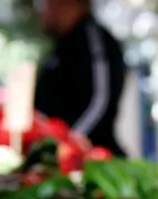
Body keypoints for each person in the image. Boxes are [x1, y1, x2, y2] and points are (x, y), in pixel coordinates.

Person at [34, 0, 128, 156]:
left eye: (45, 4)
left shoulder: (94, 41)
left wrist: (68, 144)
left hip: (93, 158)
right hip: (57, 157)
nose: (42, 12)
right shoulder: (61, 46)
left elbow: (100, 100)